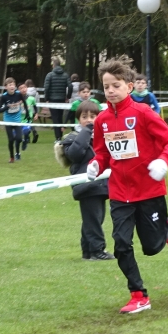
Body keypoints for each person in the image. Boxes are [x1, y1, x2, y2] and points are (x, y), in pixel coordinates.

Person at [86, 56, 168, 314]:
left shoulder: (143, 113)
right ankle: (138, 294)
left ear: (129, 86)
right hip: (119, 192)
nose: (110, 91)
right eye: (106, 86)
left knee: (152, 248)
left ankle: (167, 228)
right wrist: (96, 164)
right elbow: (102, 153)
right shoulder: (102, 120)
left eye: (115, 85)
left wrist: (164, 162)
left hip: (148, 190)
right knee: (120, 242)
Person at [55, 100, 114, 261]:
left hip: (101, 185)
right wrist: (87, 131)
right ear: (78, 119)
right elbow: (75, 154)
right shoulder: (72, 138)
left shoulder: (102, 137)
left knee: (95, 219)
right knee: (93, 219)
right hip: (86, 186)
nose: (89, 119)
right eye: (84, 116)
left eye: (93, 116)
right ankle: (97, 250)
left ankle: (88, 251)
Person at [0, 77, 29, 163]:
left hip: (17, 120)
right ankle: (11, 157)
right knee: (11, 140)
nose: (12, 86)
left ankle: (18, 151)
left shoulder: (18, 94)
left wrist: (27, 114)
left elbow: (24, 102)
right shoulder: (4, 97)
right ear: (6, 87)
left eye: (13, 84)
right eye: (10, 85)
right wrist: (6, 107)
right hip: (8, 121)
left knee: (18, 138)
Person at [43, 57, 72, 142]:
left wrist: (46, 98)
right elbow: (70, 86)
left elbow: (46, 87)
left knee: (55, 118)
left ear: (53, 65)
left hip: (52, 99)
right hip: (62, 99)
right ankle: (60, 136)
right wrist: (68, 96)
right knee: (60, 117)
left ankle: (58, 138)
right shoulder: (65, 75)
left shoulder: (49, 75)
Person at [18, 82, 38, 151]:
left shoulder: (31, 98)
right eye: (21, 88)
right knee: (17, 136)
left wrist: (36, 114)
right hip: (18, 119)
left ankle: (26, 139)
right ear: (18, 90)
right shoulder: (17, 99)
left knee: (26, 131)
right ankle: (24, 140)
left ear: (26, 88)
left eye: (24, 87)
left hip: (28, 118)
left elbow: (35, 107)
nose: (23, 89)